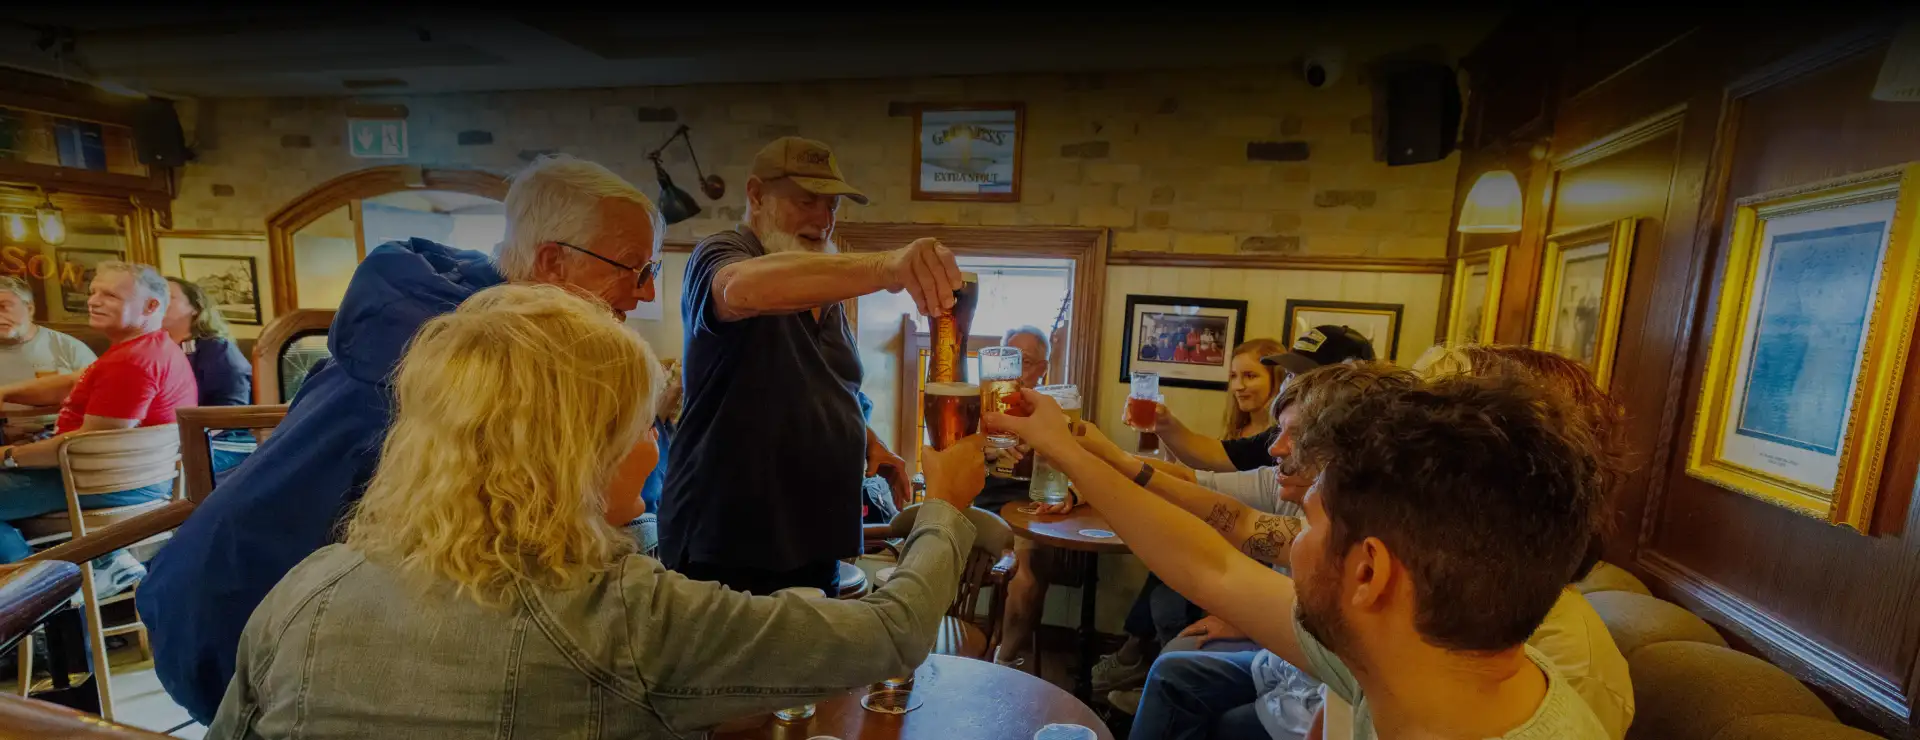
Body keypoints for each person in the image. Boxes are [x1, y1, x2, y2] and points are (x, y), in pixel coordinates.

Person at [207, 284, 993, 739]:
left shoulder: (309, 588)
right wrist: (945, 510)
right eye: (644, 426)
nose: (657, 447)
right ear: (580, 456)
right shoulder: (623, 616)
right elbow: (892, 633)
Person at [140, 154, 664, 725]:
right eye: (633, 268)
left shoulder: (443, 312)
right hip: (240, 612)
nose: (644, 294)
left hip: (230, 594)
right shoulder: (483, 370)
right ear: (551, 262)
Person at [991, 371, 1612, 739]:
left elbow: (1221, 557)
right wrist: (1066, 451)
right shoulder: (1419, 657)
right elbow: (1211, 563)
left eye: (1310, 520)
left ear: (1369, 573)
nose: (1286, 536)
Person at [663, 136, 960, 596]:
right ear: (756, 195)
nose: (823, 220)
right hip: (730, 544)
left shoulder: (824, 291)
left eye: (832, 206)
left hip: (812, 539)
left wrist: (868, 439)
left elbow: (819, 384)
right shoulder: (721, 253)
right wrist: (889, 267)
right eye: (806, 201)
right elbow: (740, 289)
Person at [1095, 337, 1287, 697]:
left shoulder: (1275, 443)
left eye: (1250, 375)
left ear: (1279, 378)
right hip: (1230, 537)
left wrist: (1097, 458)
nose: (1239, 385)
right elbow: (1200, 475)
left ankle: (1141, 664)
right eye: (1233, 376)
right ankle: (1148, 668)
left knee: (1169, 574)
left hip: (1257, 553)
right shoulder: (1243, 432)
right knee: (1167, 558)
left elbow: (1207, 476)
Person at [0, 262, 195, 595]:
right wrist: (5, 392)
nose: (93, 300)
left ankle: (35, 599)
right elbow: (74, 382)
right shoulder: (148, 346)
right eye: (93, 292)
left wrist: (8, 455)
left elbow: (88, 446)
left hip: (106, 483)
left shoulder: (131, 362)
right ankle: (99, 563)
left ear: (150, 306)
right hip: (129, 477)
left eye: (110, 295)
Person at [1142, 326, 1373, 472]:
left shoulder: (1365, 456)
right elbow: (1216, 457)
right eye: (1291, 375)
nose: (1292, 385)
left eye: (1305, 376)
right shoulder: (1282, 437)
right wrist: (1164, 424)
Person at [982, 325, 1073, 670]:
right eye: (1011, 359)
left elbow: (1079, 468)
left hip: (1030, 509)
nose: (1016, 371)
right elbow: (949, 459)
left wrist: (1070, 494)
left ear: (1043, 369)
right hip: (982, 508)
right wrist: (984, 454)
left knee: (1025, 579)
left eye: (1027, 361)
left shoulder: (1054, 412)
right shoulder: (983, 406)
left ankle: (1001, 662)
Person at [162, 277, 254, 478]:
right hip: (171, 444)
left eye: (168, 297)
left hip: (227, 443)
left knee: (162, 473)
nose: (158, 302)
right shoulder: (153, 350)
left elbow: (233, 413)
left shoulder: (217, 349)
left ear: (195, 307)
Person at [0, 276, 97, 441]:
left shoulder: (68, 348)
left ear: (29, 309)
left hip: (60, 438)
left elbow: (99, 398)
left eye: (3, 307)